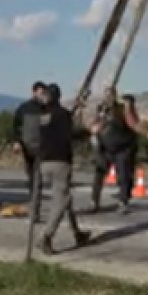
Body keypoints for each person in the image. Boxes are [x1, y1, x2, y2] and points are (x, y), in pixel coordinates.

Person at [35, 84, 92, 255]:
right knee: (62, 199)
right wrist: (89, 132)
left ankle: (77, 233)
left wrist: (77, 109)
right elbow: (71, 133)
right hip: (61, 161)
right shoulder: (62, 115)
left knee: (65, 198)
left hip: (44, 161)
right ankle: (46, 236)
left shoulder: (42, 115)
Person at [89, 92, 148, 214]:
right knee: (98, 174)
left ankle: (123, 201)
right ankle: (94, 201)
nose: (108, 98)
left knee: (123, 175)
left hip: (122, 149)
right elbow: (94, 125)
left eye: (110, 96)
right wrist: (94, 128)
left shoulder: (122, 109)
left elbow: (133, 124)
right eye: (106, 96)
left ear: (114, 97)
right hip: (105, 148)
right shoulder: (101, 110)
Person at [11, 81, 48, 193]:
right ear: (34, 92)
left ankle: (36, 193)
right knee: (30, 172)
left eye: (44, 93)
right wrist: (16, 142)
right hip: (27, 146)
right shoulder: (24, 108)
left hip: (41, 146)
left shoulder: (46, 109)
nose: (42, 95)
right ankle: (33, 193)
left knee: (38, 173)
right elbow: (16, 126)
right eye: (40, 92)